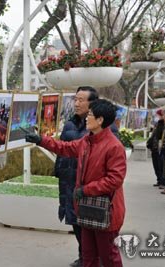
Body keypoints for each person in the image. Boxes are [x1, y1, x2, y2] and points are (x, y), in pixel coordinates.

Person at [26, 99, 126, 267]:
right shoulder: (87, 141)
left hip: (107, 210)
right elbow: (65, 148)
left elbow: (114, 179)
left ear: (100, 120)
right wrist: (40, 140)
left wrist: (86, 189)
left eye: (90, 115)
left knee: (109, 257)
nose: (87, 118)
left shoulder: (114, 147)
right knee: (88, 256)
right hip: (86, 206)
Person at [54, 86, 99, 267]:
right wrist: (59, 169)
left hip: (88, 184)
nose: (77, 103)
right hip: (68, 179)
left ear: (92, 103)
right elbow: (62, 148)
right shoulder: (70, 123)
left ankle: (94, 258)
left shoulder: (102, 125)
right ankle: (84, 256)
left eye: (81, 100)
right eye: (76, 99)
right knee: (75, 221)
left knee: (89, 223)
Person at [146, 109, 165, 189]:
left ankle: (163, 182)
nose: (157, 117)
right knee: (156, 165)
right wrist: (149, 143)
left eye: (158, 115)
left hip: (160, 147)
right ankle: (159, 180)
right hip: (155, 147)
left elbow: (159, 135)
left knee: (161, 165)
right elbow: (154, 135)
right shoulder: (158, 123)